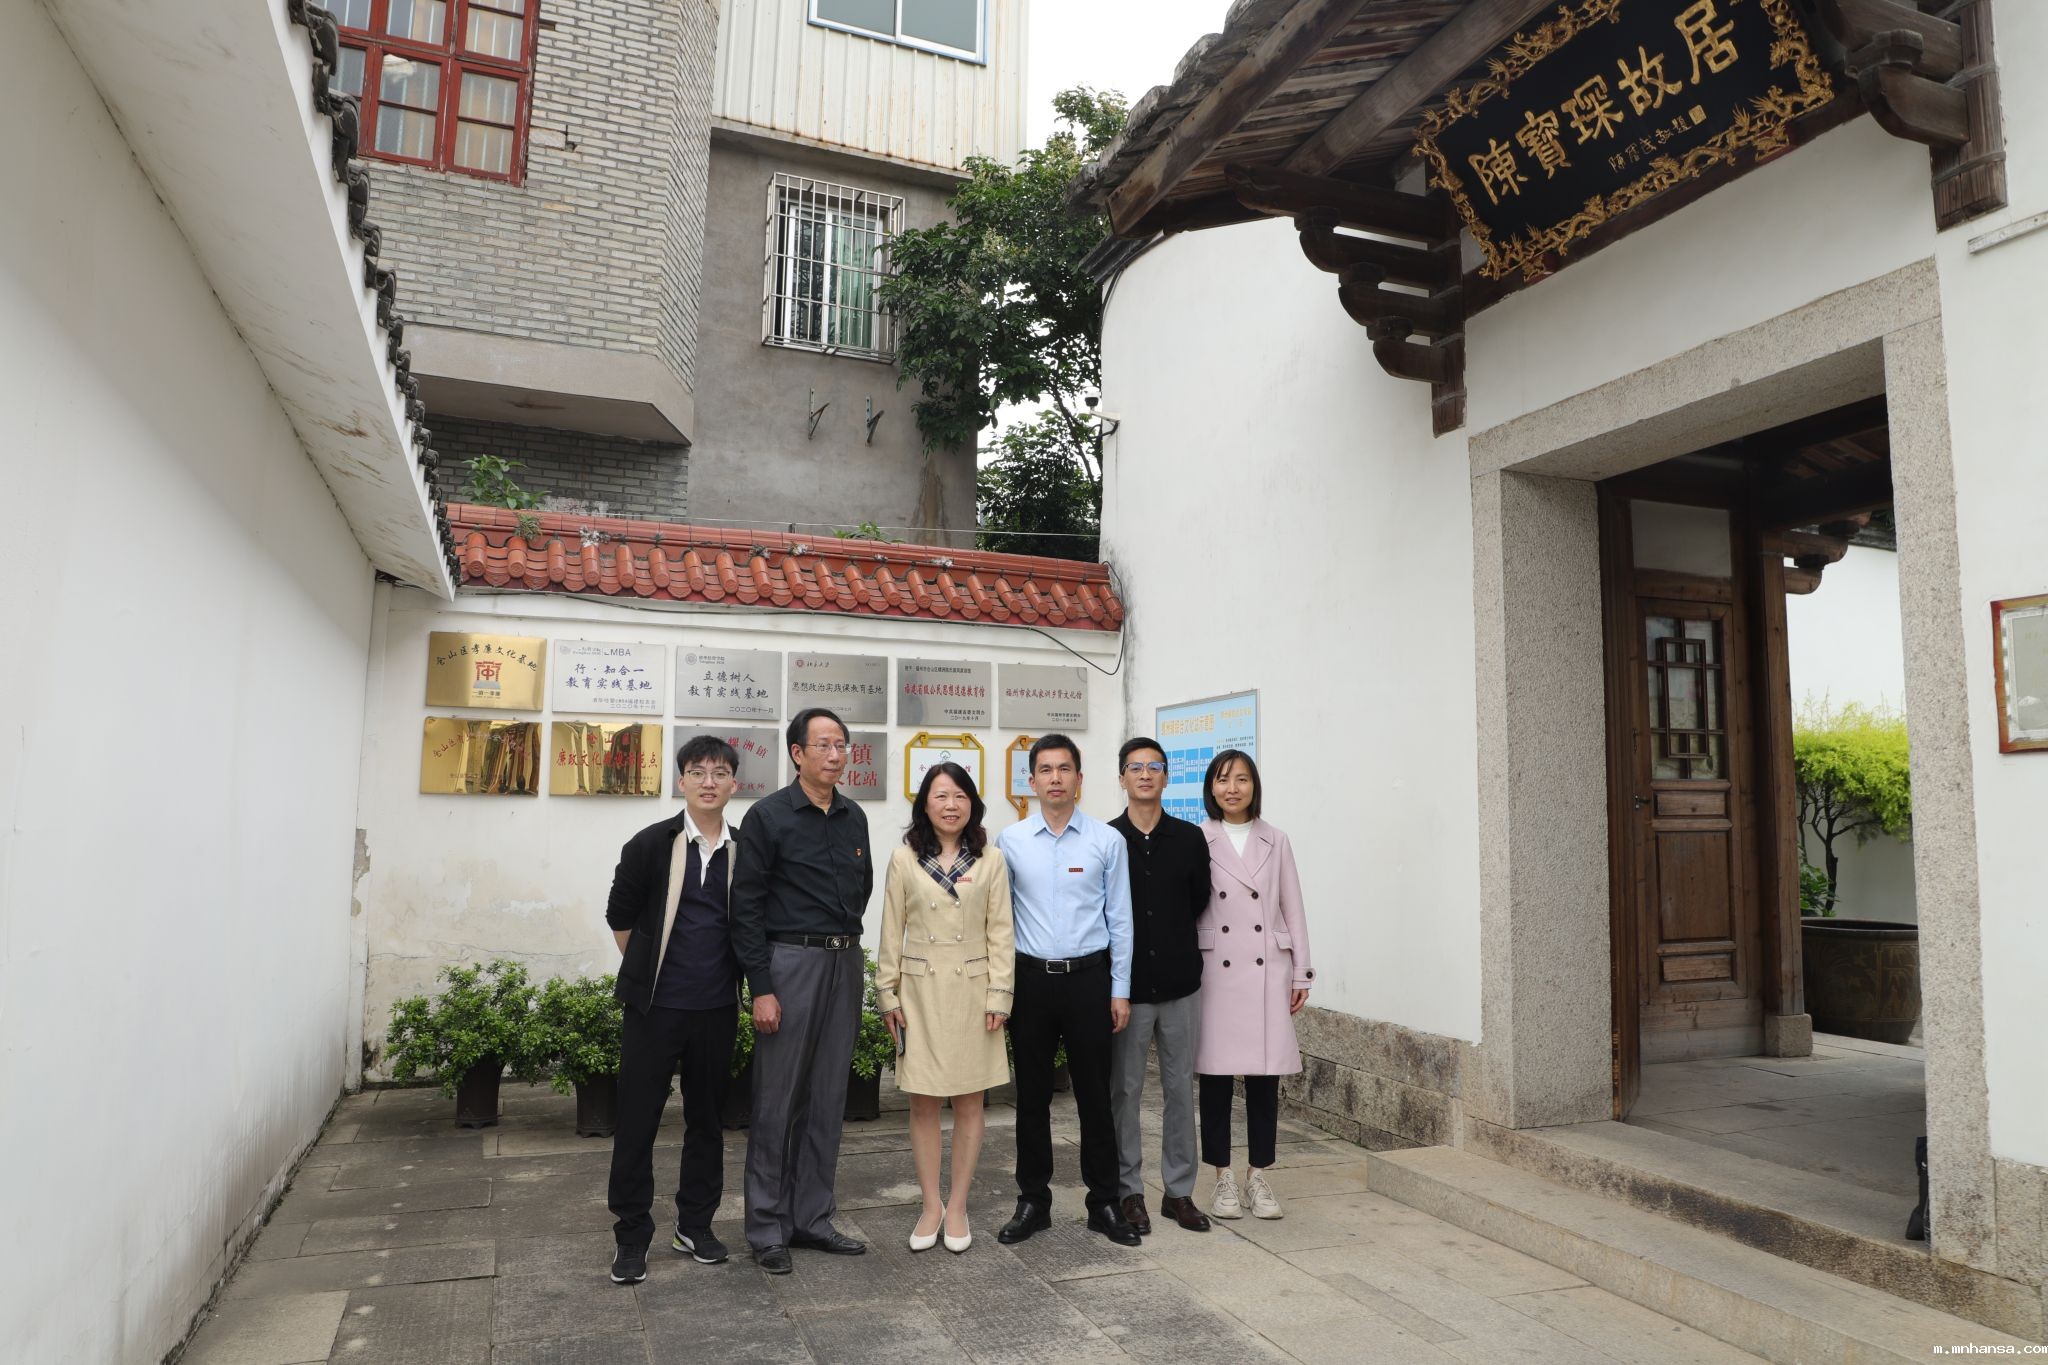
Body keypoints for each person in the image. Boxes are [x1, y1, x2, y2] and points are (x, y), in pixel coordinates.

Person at [730, 707, 874, 1274]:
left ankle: (812, 1218)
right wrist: (762, 987)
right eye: (823, 745)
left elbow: (861, 889)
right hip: (790, 963)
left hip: (844, 962)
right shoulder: (767, 817)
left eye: (841, 744)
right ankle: (766, 1227)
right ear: (797, 753)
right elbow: (745, 907)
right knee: (777, 1100)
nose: (835, 755)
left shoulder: (854, 816)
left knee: (828, 1096)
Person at [601, 735, 744, 1285]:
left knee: (706, 1122)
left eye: (720, 772)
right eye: (698, 771)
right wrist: (648, 971)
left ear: (734, 784)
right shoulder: (651, 844)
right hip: (655, 1008)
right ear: (681, 781)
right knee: (637, 1121)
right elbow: (620, 916)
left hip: (717, 1007)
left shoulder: (745, 849)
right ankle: (632, 1235)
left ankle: (695, 1225)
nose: (709, 781)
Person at [994, 735, 1142, 1248]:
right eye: (1045, 769)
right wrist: (1001, 989)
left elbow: (1120, 920)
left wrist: (1119, 990)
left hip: (1089, 981)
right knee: (1031, 1097)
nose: (1055, 778)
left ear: (1080, 779)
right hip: (1031, 981)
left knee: (1095, 1097)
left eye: (1064, 769)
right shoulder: (1011, 841)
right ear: (1031, 781)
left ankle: (1104, 1202)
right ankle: (1033, 1201)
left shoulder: (1107, 840)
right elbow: (1000, 921)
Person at [875, 763, 1015, 1254]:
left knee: (971, 1101)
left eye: (959, 796)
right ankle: (930, 1205)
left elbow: (1001, 932)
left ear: (972, 803)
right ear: (924, 805)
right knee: (923, 1101)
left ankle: (957, 1206)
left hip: (973, 993)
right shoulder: (904, 858)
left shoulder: (991, 859)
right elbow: (891, 929)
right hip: (920, 992)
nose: (951, 805)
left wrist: (1000, 994)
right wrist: (887, 992)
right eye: (940, 796)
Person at [1196, 749, 1314, 1221]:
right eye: (1223, 779)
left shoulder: (1275, 839)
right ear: (1211, 787)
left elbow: (1293, 906)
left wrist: (1302, 970)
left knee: (1265, 1080)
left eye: (1241, 779)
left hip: (1267, 969)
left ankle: (1258, 1174)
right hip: (1215, 970)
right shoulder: (1198, 837)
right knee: (1216, 1080)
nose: (1232, 788)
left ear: (1254, 786)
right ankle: (1222, 1176)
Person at [1108, 737, 1213, 1236]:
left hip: (1179, 983)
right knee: (1124, 1091)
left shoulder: (1189, 838)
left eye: (1154, 766)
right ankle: (1129, 1190)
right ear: (1122, 778)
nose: (1145, 774)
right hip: (1126, 988)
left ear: (1167, 777)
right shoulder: (1107, 839)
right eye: (1135, 767)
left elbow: (1198, 900)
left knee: (1179, 1089)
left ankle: (1179, 1192)